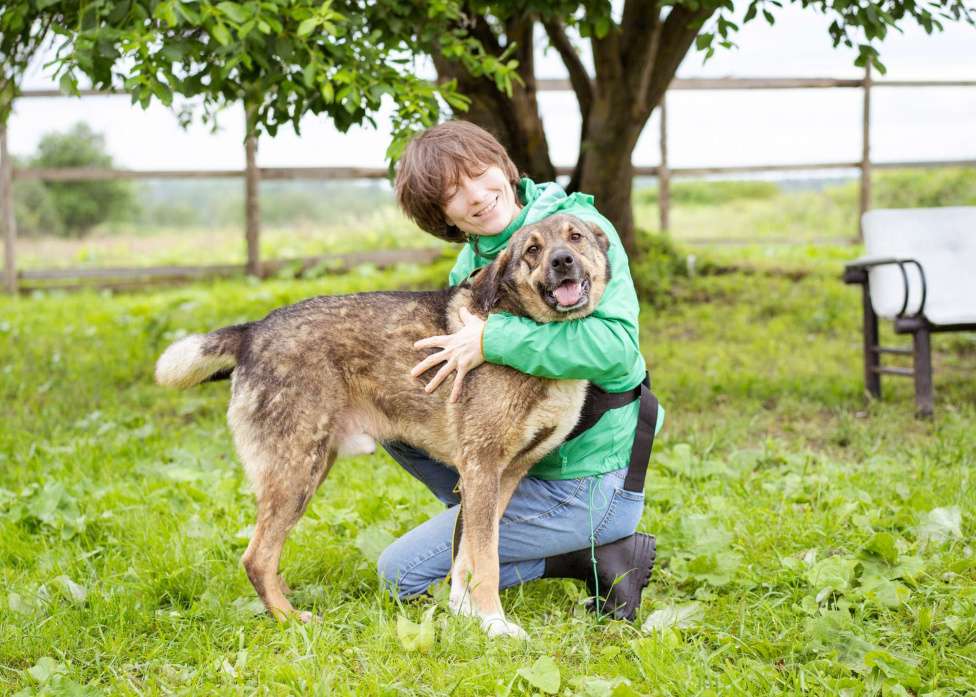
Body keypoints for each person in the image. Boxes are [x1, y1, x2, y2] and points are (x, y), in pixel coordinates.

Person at [376, 120, 664, 621]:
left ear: (504, 167)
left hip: (588, 480)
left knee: (402, 573)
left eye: (479, 172)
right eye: (452, 192)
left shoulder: (580, 231)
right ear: (443, 217)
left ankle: (590, 553)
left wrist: (491, 338)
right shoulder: (468, 270)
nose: (477, 195)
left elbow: (617, 349)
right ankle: (493, 533)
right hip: (511, 465)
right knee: (394, 417)